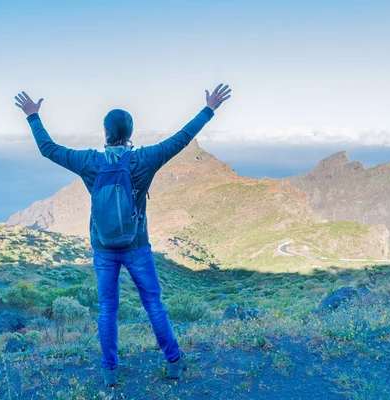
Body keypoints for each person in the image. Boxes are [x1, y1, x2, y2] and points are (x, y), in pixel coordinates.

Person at [14, 84, 231, 386]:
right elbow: (182, 139)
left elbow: (48, 149)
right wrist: (209, 109)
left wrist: (33, 116)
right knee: (153, 303)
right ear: (129, 133)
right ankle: (174, 362)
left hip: (103, 248)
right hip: (137, 245)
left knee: (107, 308)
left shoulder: (90, 161)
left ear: (105, 132)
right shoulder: (144, 159)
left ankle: (109, 371)